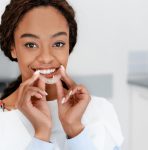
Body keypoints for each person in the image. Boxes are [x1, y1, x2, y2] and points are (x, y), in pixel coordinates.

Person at [0, 0, 124, 149]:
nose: (46, 57)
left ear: (68, 45)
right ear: (13, 47)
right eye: (31, 45)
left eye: (58, 44)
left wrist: (74, 129)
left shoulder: (100, 112)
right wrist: (41, 134)